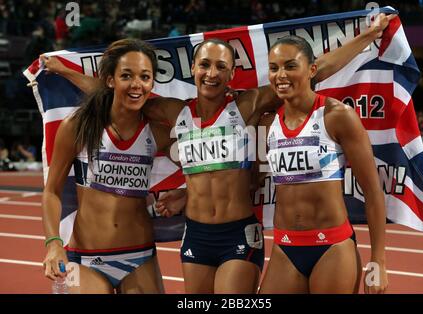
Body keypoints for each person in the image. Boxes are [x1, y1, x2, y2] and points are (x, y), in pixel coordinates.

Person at [41, 13, 392, 294]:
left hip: (238, 233)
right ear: (193, 69)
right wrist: (64, 71)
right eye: (205, 65)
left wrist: (367, 36)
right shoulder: (173, 112)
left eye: (220, 67)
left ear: (231, 73)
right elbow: (115, 93)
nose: (211, 73)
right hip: (195, 234)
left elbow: (314, 71)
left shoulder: (247, 104)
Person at [257, 35, 388, 294]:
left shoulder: (337, 116)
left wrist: (378, 261)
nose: (281, 75)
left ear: (312, 70)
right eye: (274, 68)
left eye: (290, 66)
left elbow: (373, 191)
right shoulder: (266, 124)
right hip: (284, 246)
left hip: (332, 248)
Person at [41, 38, 172, 294]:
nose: (137, 84)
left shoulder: (157, 132)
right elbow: (51, 191)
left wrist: (184, 194)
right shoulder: (78, 126)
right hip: (83, 258)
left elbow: (204, 164)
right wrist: (53, 243)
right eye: (127, 75)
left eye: (145, 77)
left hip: (141, 256)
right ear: (110, 80)